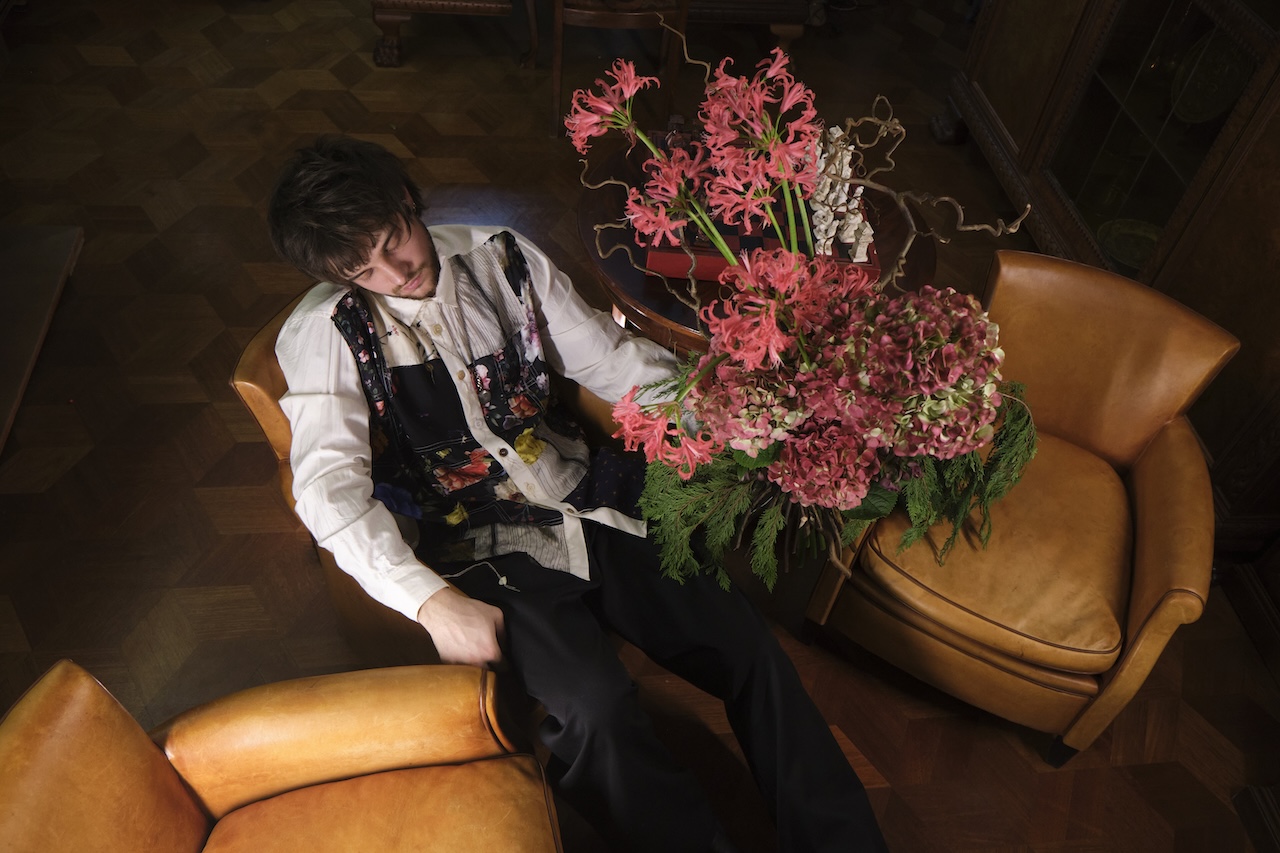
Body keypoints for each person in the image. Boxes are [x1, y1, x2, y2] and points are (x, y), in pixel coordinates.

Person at [267, 134, 889, 853]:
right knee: (595, 710)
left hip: (588, 497)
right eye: (362, 270)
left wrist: (725, 415)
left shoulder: (504, 255)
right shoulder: (326, 333)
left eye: (392, 241)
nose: (394, 273)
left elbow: (611, 361)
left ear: (409, 201)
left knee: (749, 646)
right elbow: (328, 493)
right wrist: (430, 601)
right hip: (478, 547)